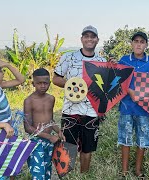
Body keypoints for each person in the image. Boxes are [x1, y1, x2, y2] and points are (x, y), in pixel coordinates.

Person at [52, 25, 106, 173]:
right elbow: (55, 79)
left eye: (92, 36)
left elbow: (105, 87)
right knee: (68, 146)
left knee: (88, 148)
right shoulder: (68, 57)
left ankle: (84, 175)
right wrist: (73, 85)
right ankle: (67, 175)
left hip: (92, 111)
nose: (89, 39)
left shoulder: (102, 61)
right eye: (86, 36)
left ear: (97, 39)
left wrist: (102, 108)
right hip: (70, 110)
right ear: (81, 39)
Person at [118, 32, 149, 178]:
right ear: (131, 43)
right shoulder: (124, 60)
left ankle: (138, 170)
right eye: (136, 41)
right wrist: (130, 91)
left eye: (142, 42)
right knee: (126, 139)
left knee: (142, 140)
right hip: (126, 106)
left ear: (146, 45)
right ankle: (124, 171)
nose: (139, 44)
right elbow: (117, 81)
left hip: (145, 109)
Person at [24, 68, 64, 179]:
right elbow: (27, 127)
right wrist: (49, 136)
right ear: (33, 84)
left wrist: (58, 131)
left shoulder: (51, 99)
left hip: (49, 142)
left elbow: (50, 121)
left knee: (47, 171)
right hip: (35, 142)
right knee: (37, 174)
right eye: (39, 83)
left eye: (45, 83)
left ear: (49, 84)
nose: (42, 86)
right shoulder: (29, 101)